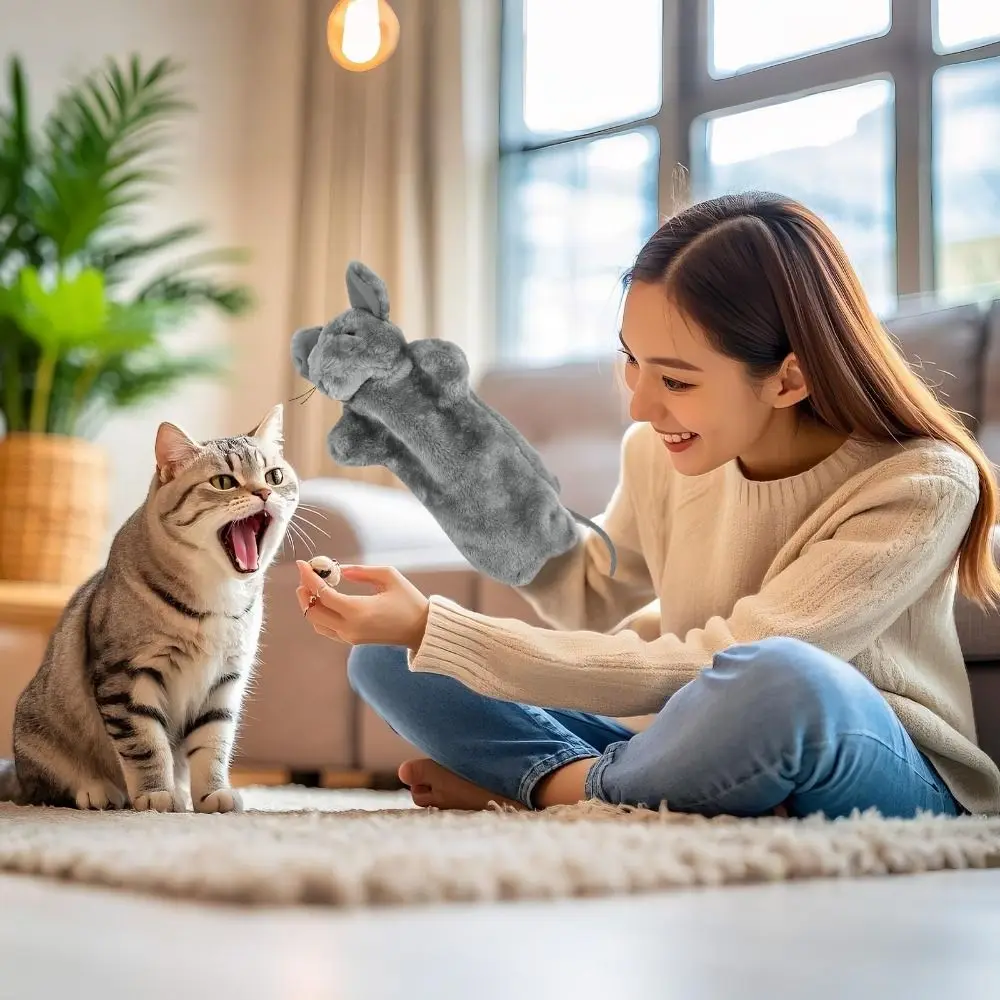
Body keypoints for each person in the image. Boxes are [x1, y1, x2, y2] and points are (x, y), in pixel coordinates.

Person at [295, 191, 1000, 820]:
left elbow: (723, 663)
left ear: (790, 378)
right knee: (392, 658)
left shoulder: (921, 483)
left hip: (884, 764)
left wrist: (436, 626)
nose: (639, 403)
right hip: (695, 737)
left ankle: (555, 788)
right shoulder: (658, 452)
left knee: (784, 679)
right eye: (632, 360)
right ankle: (635, 786)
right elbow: (588, 596)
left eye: (677, 380)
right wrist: (424, 601)